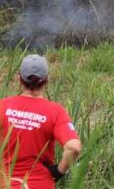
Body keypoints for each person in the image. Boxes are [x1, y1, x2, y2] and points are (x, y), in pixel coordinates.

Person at [0, 54, 81, 189]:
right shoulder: (56, 111)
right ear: (46, 80)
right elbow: (73, 147)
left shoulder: (3, 106)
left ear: (19, 79)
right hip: (41, 184)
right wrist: (60, 170)